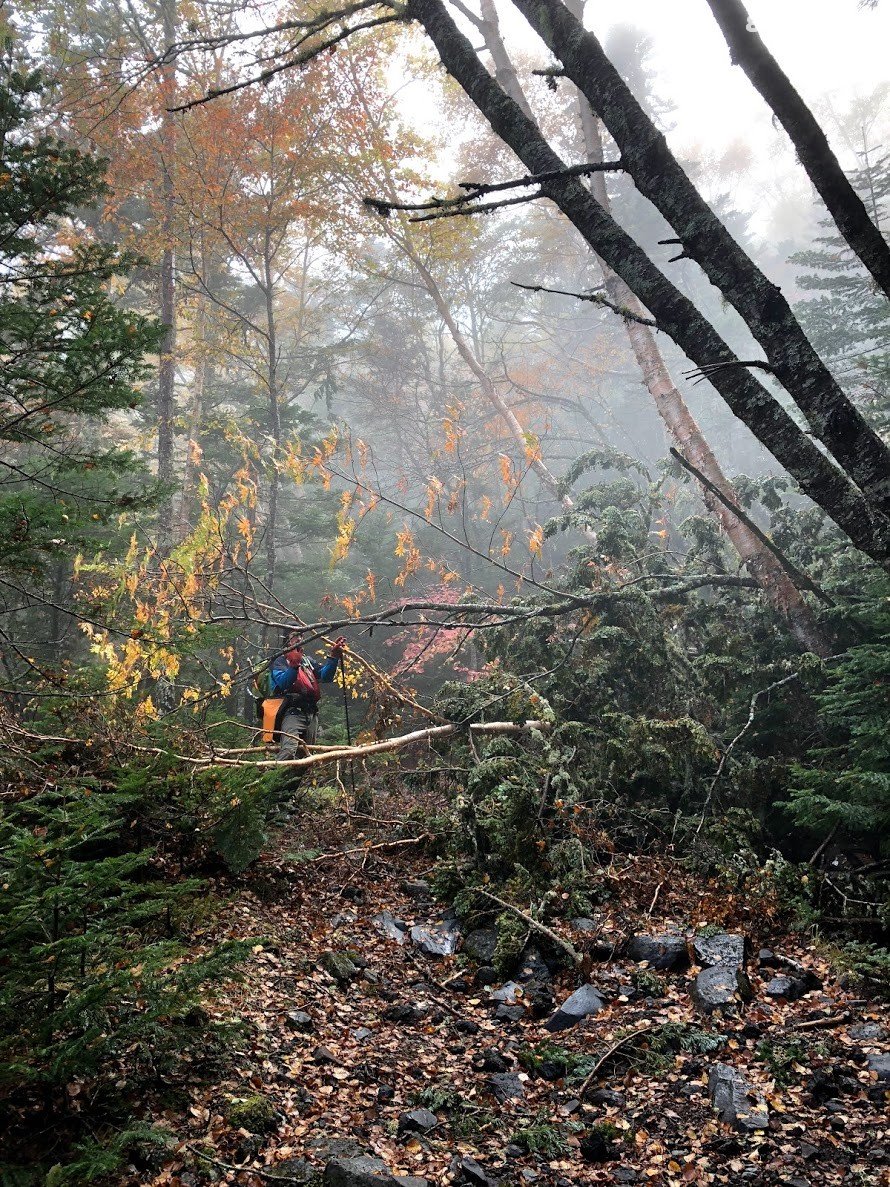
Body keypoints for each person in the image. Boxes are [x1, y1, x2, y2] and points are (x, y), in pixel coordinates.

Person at [270, 631, 346, 760]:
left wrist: (334, 657)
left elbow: (325, 676)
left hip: (311, 714)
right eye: (294, 635)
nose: (299, 638)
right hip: (291, 712)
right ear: (286, 640)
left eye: (301, 635)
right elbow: (283, 683)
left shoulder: (307, 660)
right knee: (288, 752)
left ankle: (293, 780)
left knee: (306, 757)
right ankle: (272, 778)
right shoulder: (279, 660)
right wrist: (294, 666)